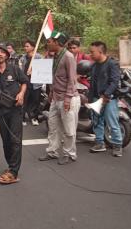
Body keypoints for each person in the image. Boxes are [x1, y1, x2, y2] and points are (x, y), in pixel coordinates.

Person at [0, 42, 27, 185]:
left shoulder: (14, 69)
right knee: (6, 141)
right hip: (0, 111)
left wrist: (21, 94)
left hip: (15, 110)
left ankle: (13, 172)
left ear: (7, 55)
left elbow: (25, 82)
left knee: (15, 140)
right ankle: (11, 166)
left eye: (2, 52)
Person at [39, 31, 80, 165]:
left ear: (57, 42)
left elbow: (72, 80)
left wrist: (67, 99)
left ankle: (69, 154)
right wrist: (51, 94)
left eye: (50, 41)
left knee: (69, 129)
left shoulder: (68, 57)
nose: (48, 43)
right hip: (56, 97)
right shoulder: (55, 56)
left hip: (67, 98)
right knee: (53, 126)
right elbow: (54, 77)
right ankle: (52, 151)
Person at [87, 41, 123, 157]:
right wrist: (91, 97)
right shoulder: (94, 65)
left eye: (92, 52)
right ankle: (99, 143)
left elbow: (114, 82)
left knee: (112, 122)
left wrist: (106, 95)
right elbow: (92, 81)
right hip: (96, 97)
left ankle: (117, 145)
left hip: (109, 98)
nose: (90, 54)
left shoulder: (112, 64)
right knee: (97, 121)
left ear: (100, 51)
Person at [20, 40, 43, 126]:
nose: (25, 48)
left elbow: (42, 70)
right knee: (24, 100)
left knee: (35, 100)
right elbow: (20, 70)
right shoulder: (23, 58)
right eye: (25, 46)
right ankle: (22, 118)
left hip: (36, 83)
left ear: (33, 47)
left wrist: (34, 71)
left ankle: (34, 117)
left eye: (27, 46)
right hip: (26, 82)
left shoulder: (39, 57)